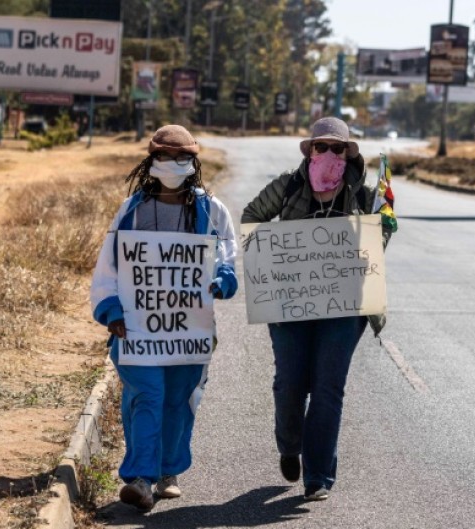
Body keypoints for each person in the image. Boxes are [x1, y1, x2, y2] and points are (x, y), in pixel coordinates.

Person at [241, 117, 393, 501]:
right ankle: (290, 446)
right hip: (290, 305)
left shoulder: (364, 194)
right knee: (290, 385)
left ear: (347, 154)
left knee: (328, 389)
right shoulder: (288, 185)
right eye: (320, 147)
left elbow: (381, 237)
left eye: (337, 148)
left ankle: (318, 476)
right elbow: (251, 218)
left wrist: (383, 224)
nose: (328, 154)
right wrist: (274, 260)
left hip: (345, 307)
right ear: (309, 151)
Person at [90, 125, 238, 512]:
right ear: (150, 160)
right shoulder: (132, 210)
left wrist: (224, 278)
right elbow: (108, 265)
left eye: (181, 157)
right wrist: (110, 310)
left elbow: (228, 255)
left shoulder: (210, 210)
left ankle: (168, 471)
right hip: (136, 329)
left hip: (190, 331)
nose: (173, 164)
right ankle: (140, 478)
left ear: (194, 161)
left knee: (179, 399)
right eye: (164, 156)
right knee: (147, 396)